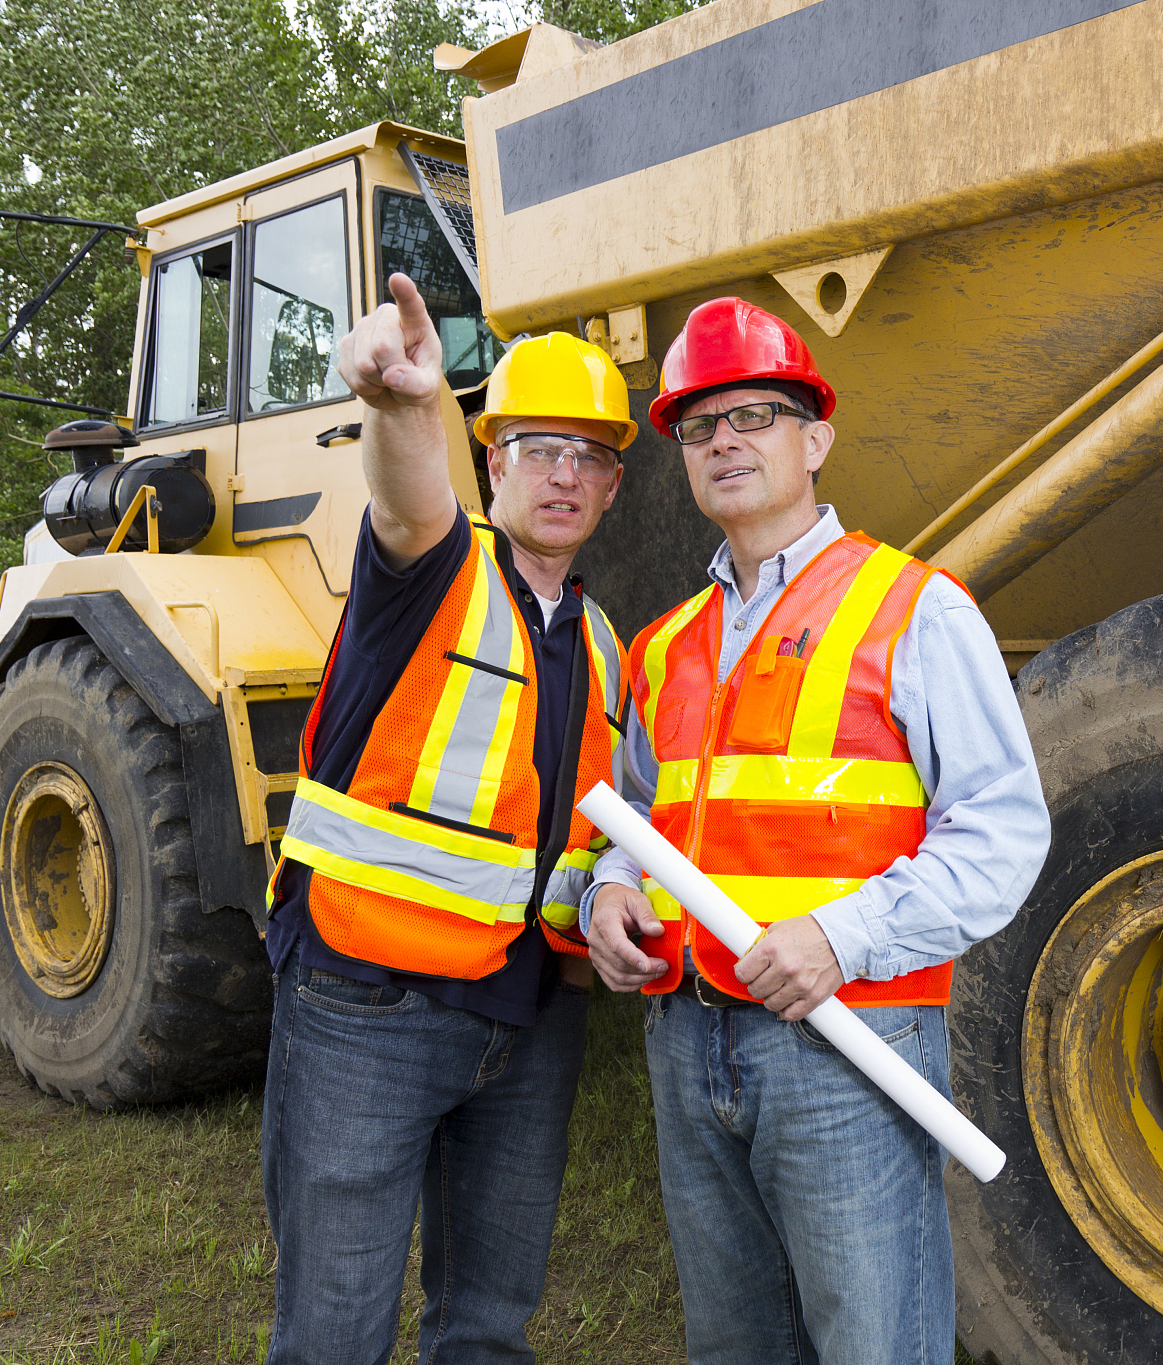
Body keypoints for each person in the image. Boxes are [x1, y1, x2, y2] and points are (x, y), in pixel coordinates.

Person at [583, 297, 1051, 1365]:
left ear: (815, 438)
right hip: (686, 1041)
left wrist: (840, 938)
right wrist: (611, 894)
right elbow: (644, 819)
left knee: (873, 1344)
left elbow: (998, 832)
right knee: (736, 1343)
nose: (723, 442)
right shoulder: (664, 647)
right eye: (698, 427)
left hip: (845, 1045)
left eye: (752, 413)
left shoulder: (913, 608)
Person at [260, 272, 635, 1364]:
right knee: (334, 1334)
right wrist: (402, 404)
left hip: (526, 1025)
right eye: (535, 446)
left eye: (589, 457)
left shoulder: (607, 645)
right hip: (370, 1006)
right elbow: (405, 498)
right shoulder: (435, 569)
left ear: (612, 486)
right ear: (490, 459)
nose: (563, 475)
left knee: (486, 1329)